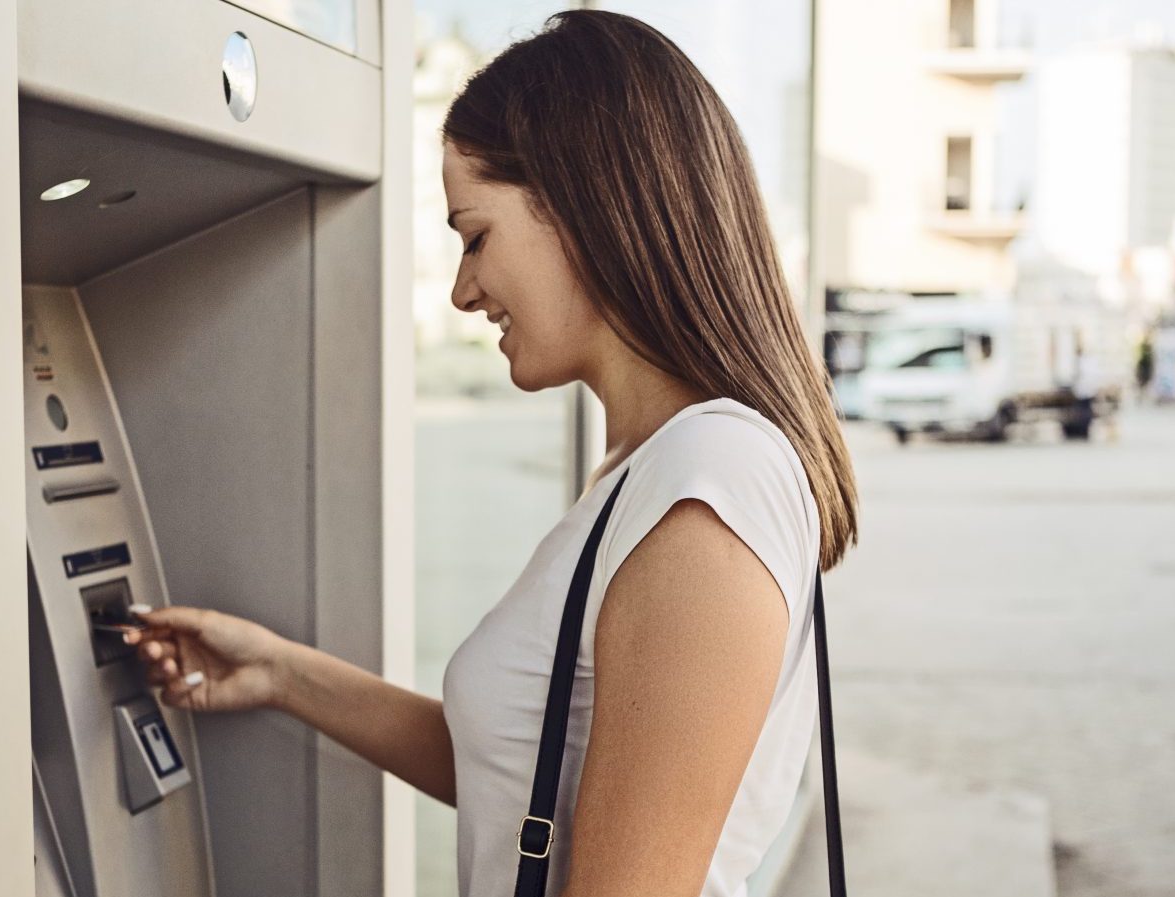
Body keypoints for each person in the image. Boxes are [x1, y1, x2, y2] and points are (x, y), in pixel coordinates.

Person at [126, 11, 859, 897]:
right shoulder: (649, 470)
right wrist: (279, 670)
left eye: (475, 236)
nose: (464, 289)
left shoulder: (710, 486)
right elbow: (532, 775)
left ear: (590, 206)